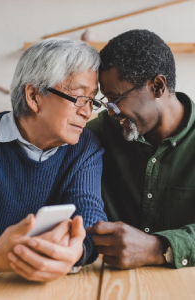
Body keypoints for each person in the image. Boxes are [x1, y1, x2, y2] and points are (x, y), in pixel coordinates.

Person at [0, 38, 107, 281]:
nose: (87, 112)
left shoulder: (85, 146)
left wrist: (77, 251)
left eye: (91, 101)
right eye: (78, 97)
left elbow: (89, 214)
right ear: (34, 96)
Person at [87, 29, 195, 270]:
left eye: (116, 98)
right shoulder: (98, 134)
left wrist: (157, 247)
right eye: (107, 102)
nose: (111, 111)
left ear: (157, 86)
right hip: (108, 284)